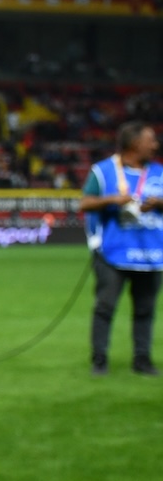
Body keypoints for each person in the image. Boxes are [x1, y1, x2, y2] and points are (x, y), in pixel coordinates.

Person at [79, 121, 163, 376]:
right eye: (150, 140)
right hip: (112, 252)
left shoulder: (159, 172)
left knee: (146, 310)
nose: (155, 145)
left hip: (152, 253)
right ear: (135, 143)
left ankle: (142, 360)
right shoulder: (103, 171)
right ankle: (99, 361)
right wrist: (113, 200)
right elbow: (85, 203)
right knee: (105, 307)